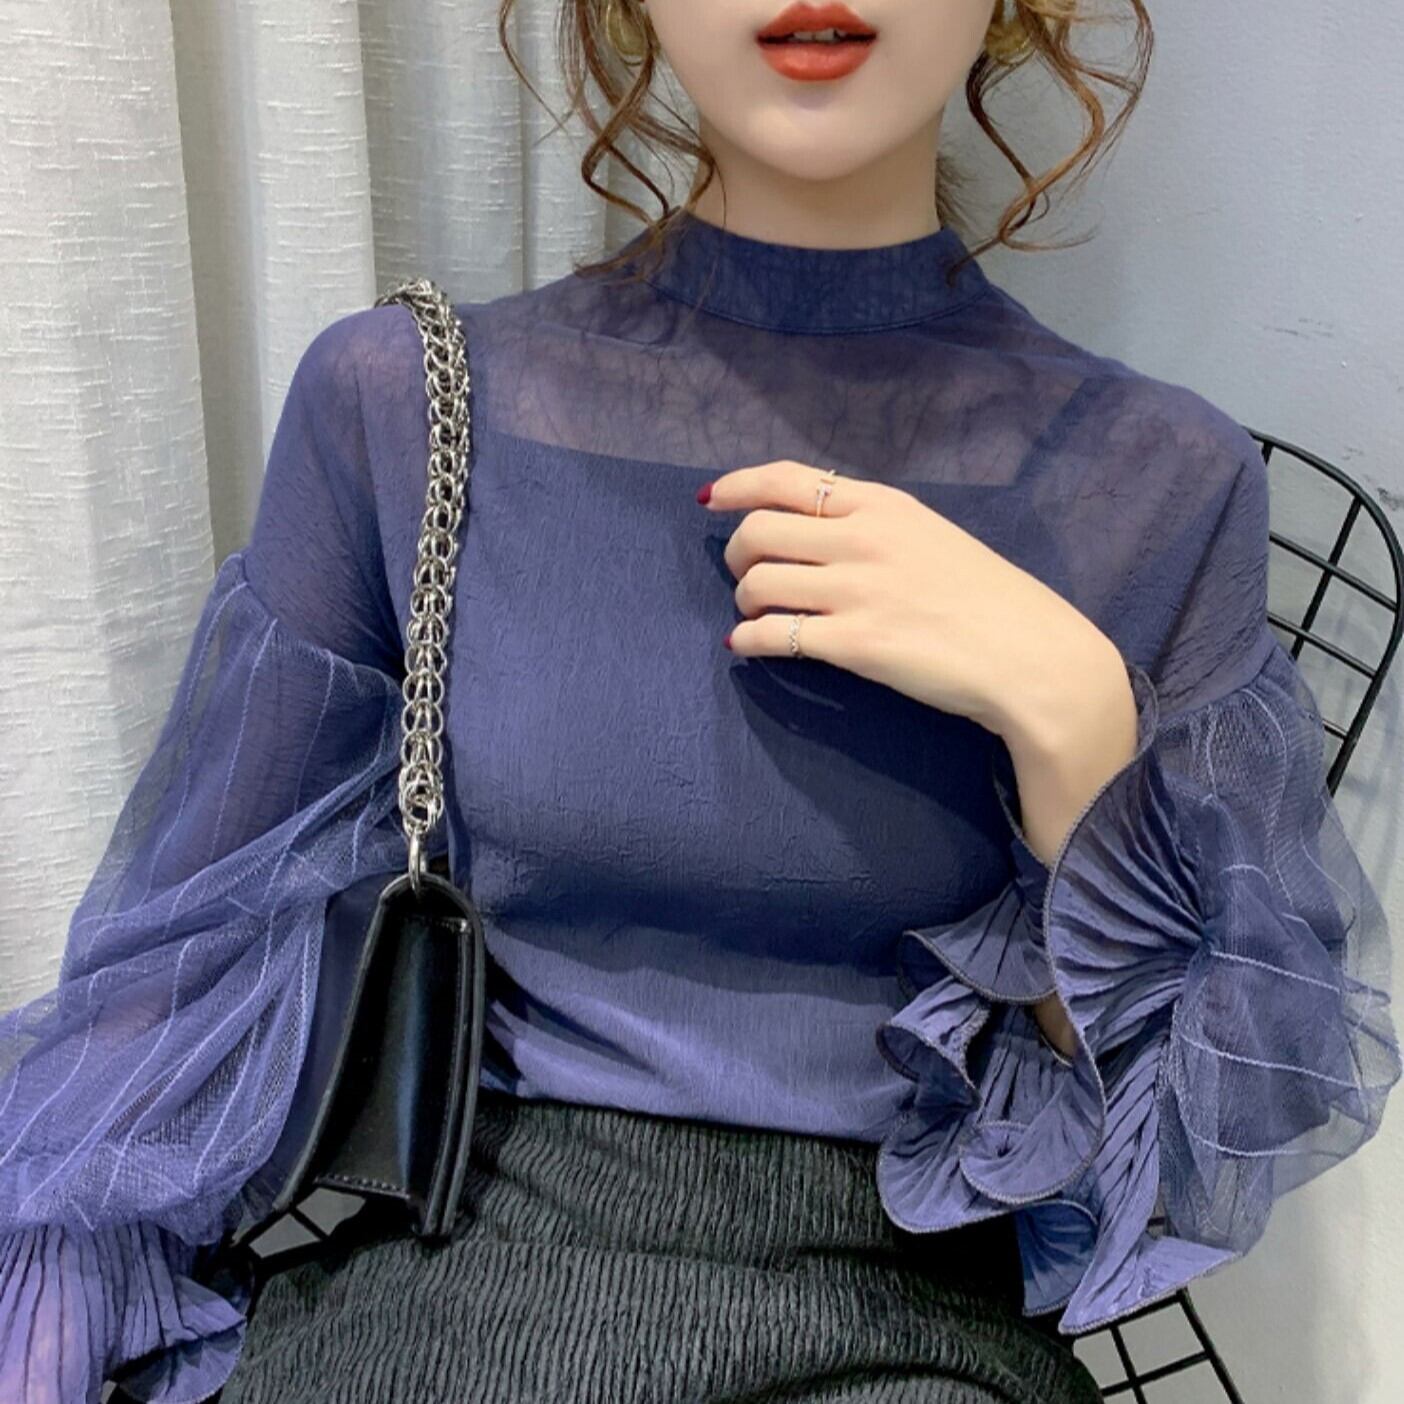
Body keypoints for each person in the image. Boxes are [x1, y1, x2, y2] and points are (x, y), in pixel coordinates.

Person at [1, 2, 1397, 1400]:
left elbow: (1188, 1153)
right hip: (448, 1303)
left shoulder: (1156, 485)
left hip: (915, 1336)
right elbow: (168, 988)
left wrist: (1073, 719)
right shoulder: (405, 407)